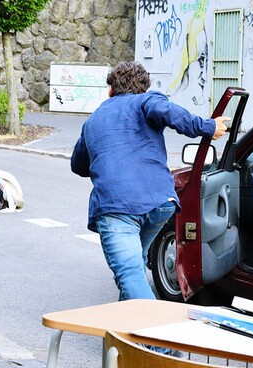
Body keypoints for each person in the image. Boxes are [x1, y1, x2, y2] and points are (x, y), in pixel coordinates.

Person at [71, 61, 228, 301]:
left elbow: (78, 165)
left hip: (117, 208)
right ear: (143, 87)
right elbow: (167, 112)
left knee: (129, 273)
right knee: (135, 264)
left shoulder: (93, 121)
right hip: (160, 203)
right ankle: (127, 334)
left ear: (110, 90)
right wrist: (207, 127)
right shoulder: (146, 101)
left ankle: (156, 338)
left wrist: (105, 159)